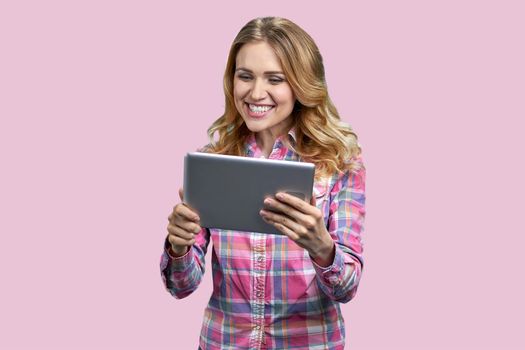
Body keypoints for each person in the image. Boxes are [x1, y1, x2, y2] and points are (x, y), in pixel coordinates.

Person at [160, 16, 366, 350]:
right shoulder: (213, 160)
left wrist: (321, 247)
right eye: (245, 76)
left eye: (275, 79)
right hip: (223, 343)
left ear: (301, 84)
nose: (256, 93)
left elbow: (347, 288)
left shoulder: (339, 162)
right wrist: (179, 246)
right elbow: (181, 286)